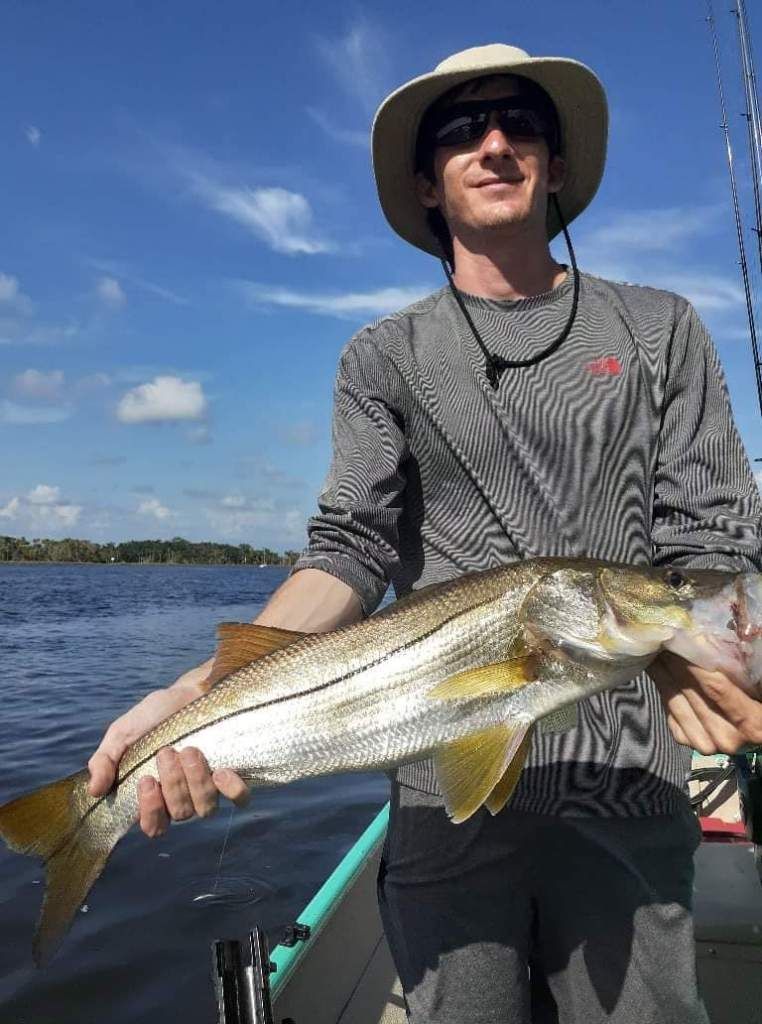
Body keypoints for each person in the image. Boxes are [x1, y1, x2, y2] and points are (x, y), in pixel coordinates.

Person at [89, 44, 762, 1023]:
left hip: (629, 777)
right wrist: (204, 689)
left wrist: (695, 644)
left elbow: (715, 538)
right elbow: (353, 547)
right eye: (461, 129)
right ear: (426, 183)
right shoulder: (383, 356)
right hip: (443, 787)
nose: (493, 143)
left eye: (520, 121)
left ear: (558, 162)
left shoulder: (661, 328)